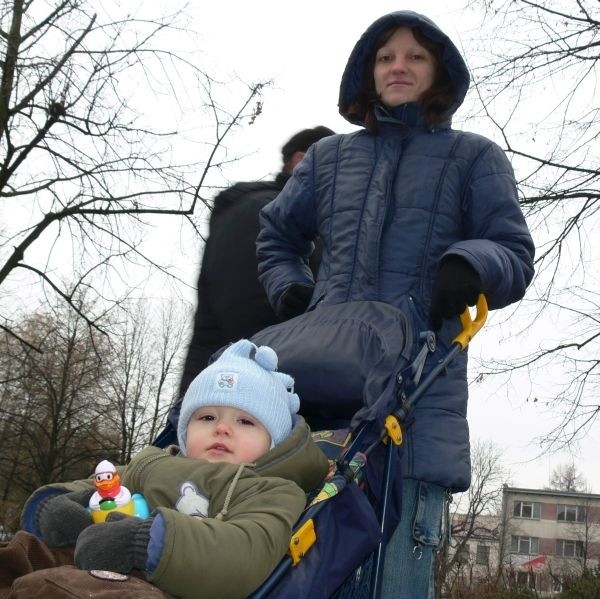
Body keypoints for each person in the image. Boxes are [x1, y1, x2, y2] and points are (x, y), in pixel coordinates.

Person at [256, 10, 535, 598]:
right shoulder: (328, 161)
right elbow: (277, 236)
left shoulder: (474, 157)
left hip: (417, 401)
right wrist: (293, 291)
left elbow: (513, 251)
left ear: (438, 73)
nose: (399, 67)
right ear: (368, 71)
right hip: (316, 400)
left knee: (396, 578)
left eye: (414, 56)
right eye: (386, 57)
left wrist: (471, 263)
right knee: (295, 576)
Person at [19, 339, 330, 598]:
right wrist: (57, 505)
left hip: (163, 586)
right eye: (206, 417)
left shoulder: (272, 490)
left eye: (245, 421)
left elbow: (247, 553)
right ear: (184, 431)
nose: (221, 428)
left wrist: (143, 542)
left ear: (274, 442)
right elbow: (102, 483)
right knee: (23, 552)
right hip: (87, 560)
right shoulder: (153, 463)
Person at [177, 125, 336, 400]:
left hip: (225, 398)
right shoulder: (265, 213)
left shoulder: (279, 215)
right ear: (301, 160)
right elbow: (260, 322)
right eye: (338, 165)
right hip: (247, 401)